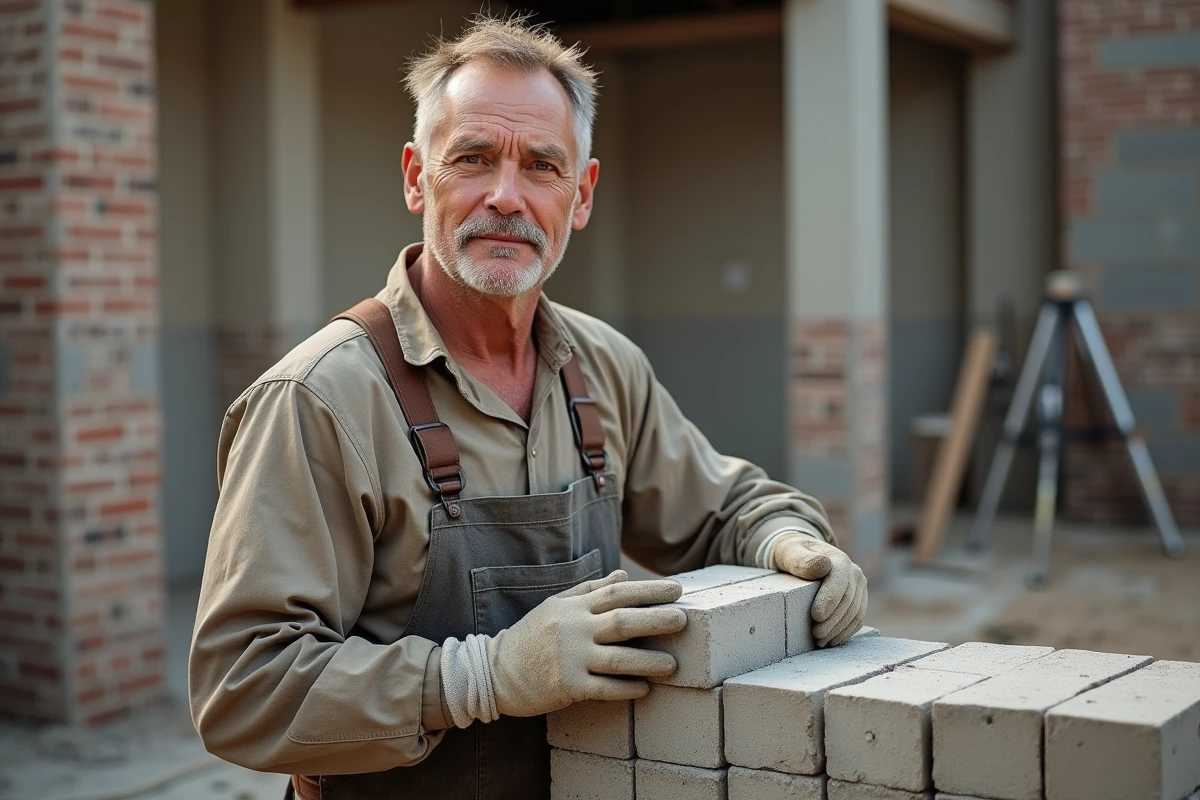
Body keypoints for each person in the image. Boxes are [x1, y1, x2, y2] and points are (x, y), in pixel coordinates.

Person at [189, 15, 867, 800]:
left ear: (580, 195)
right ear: (416, 176)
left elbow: (721, 511)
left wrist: (790, 538)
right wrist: (485, 677)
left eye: (542, 166)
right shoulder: (318, 401)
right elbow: (242, 690)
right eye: (473, 158)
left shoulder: (604, 367)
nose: (506, 197)